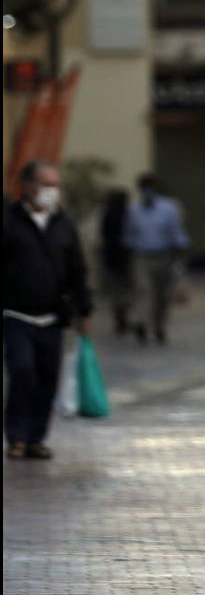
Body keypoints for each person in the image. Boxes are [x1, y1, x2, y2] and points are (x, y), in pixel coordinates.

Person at [3, 161, 92, 460]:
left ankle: (35, 438)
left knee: (47, 378)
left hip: (53, 316)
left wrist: (84, 309)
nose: (52, 191)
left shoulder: (63, 225)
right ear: (28, 186)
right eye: (46, 184)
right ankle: (16, 436)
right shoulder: (9, 222)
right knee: (22, 370)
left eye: (56, 185)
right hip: (15, 315)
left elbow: (77, 270)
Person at [124, 173, 191, 345]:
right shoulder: (133, 210)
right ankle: (141, 323)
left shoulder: (169, 208)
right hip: (142, 256)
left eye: (149, 187)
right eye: (144, 188)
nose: (147, 192)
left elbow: (177, 232)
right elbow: (128, 235)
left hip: (164, 256)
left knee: (162, 296)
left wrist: (180, 253)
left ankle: (159, 326)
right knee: (143, 291)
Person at [99, 189, 134, 337]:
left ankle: (120, 317)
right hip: (126, 256)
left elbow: (103, 234)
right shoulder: (128, 215)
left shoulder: (107, 215)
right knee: (127, 288)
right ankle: (125, 314)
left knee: (115, 290)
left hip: (111, 257)